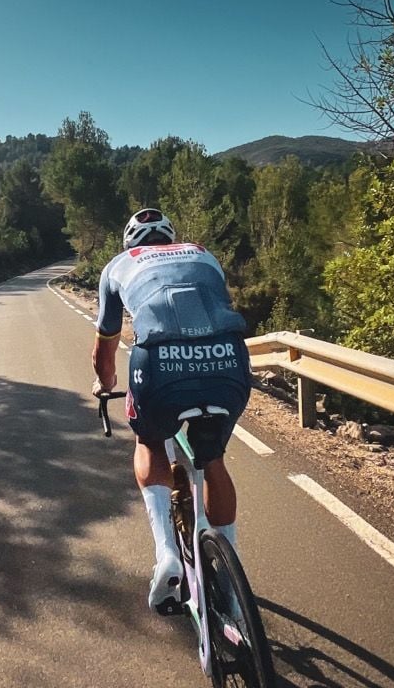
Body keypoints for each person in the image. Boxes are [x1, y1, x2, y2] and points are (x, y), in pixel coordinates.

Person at [91, 208, 251, 613]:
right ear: (171, 238)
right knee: (212, 456)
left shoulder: (117, 266)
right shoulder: (203, 253)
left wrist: (105, 384)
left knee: (149, 440)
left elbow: (105, 348)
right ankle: (233, 582)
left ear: (130, 242)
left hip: (159, 367)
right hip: (227, 358)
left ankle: (166, 554)